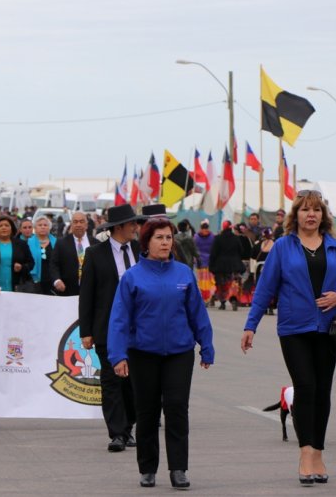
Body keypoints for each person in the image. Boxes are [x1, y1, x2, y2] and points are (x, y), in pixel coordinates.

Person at [241, 189, 336, 486]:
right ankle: (305, 453)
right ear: (296, 215)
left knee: (322, 392)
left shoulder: (334, 247)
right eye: (305, 209)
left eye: (316, 209)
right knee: (305, 387)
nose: (310, 214)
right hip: (294, 328)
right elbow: (266, 288)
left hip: (328, 329)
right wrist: (250, 325)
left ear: (323, 215)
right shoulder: (283, 246)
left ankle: (318, 451)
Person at [108, 217, 214, 489]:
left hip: (179, 352)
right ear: (146, 242)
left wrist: (207, 345)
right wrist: (118, 355)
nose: (166, 242)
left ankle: (178, 468)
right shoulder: (132, 277)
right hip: (143, 353)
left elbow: (197, 313)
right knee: (147, 412)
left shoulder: (183, 273)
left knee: (177, 408)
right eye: (160, 238)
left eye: (169, 237)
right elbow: (120, 318)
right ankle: (147, 468)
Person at [79, 204, 142, 453]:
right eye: (132, 224)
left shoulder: (141, 251)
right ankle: (117, 433)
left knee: (133, 382)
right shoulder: (95, 254)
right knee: (111, 380)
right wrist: (86, 330)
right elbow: (87, 294)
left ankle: (128, 427)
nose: (136, 229)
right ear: (119, 227)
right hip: (107, 328)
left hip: (138, 328)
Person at [50, 211, 99, 296]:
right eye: (75, 222)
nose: (78, 225)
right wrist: (57, 280)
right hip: (68, 291)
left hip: (92, 290)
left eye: (81, 222)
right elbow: (53, 264)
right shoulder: (61, 243)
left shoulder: (96, 243)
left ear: (86, 225)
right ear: (71, 225)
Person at [209, 220, 244, 311]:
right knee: (233, 283)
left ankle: (222, 302)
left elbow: (214, 253)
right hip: (234, 265)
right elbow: (241, 251)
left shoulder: (218, 238)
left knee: (221, 284)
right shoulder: (236, 238)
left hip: (220, 266)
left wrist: (211, 265)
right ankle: (234, 300)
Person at [27, 216, 57, 295]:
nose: (43, 227)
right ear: (35, 228)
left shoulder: (57, 242)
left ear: (49, 228)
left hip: (53, 281)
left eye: (45, 225)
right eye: (40, 225)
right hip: (34, 281)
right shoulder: (28, 243)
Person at [252, 228, 276, 315]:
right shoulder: (276, 244)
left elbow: (253, 256)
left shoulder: (258, 244)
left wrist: (252, 272)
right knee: (271, 288)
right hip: (271, 269)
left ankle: (264, 307)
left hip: (260, 269)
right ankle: (270, 306)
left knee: (261, 287)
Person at [194, 220, 216, 304]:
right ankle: (209, 297)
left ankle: (205, 298)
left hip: (201, 262)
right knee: (209, 281)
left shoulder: (196, 237)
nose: (205, 231)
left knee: (202, 281)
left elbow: (194, 249)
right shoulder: (212, 236)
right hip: (208, 262)